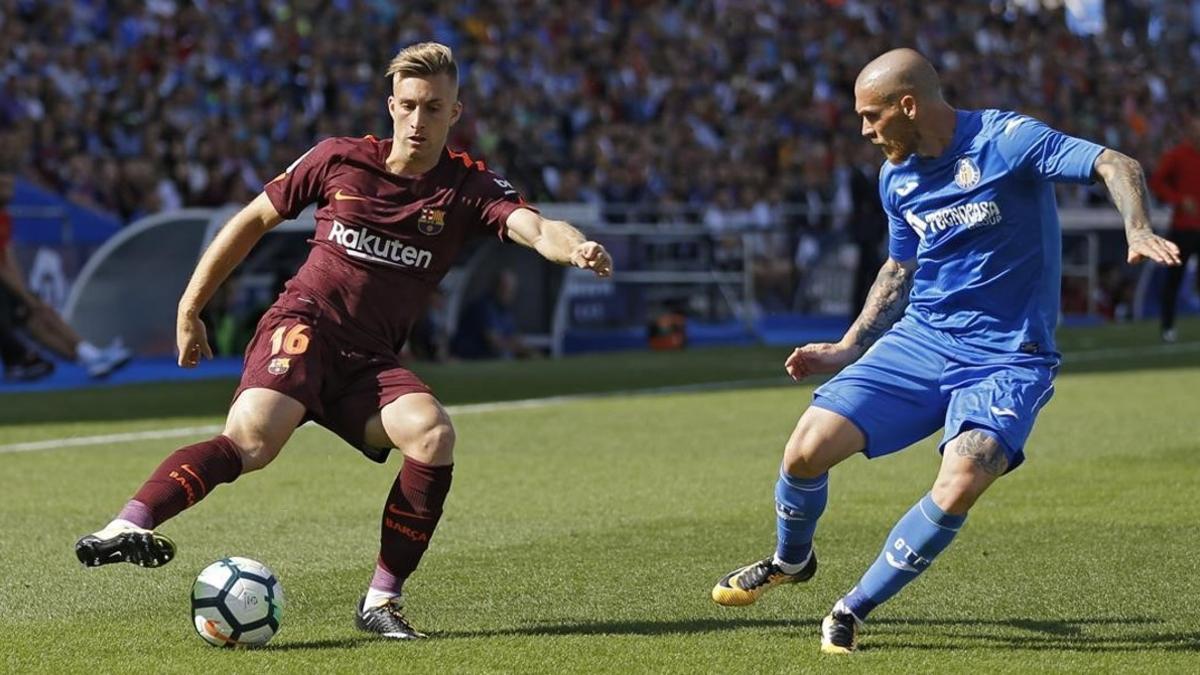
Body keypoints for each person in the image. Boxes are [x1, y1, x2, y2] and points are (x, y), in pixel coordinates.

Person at [73, 42, 612, 641]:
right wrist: (190, 305)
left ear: (454, 114)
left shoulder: (467, 186)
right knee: (253, 443)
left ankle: (381, 600)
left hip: (369, 362)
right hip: (304, 326)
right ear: (390, 106)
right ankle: (128, 523)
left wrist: (575, 248)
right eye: (408, 105)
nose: (418, 119)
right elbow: (253, 219)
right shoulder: (338, 160)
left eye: (434, 107)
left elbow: (534, 226)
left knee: (431, 434)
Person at [710, 48, 1180, 655]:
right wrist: (849, 347)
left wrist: (1136, 227)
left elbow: (1115, 162)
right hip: (923, 339)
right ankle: (790, 560)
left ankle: (853, 607)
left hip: (1010, 355)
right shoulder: (895, 176)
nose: (864, 130)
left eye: (871, 116)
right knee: (804, 451)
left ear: (909, 106)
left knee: (962, 477)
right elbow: (900, 267)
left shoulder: (1007, 140)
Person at [0, 167, 130, 378]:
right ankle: (91, 356)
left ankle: (90, 358)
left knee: (38, 321)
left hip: (6, 287)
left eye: (11, 185)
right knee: (38, 315)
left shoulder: (4, 217)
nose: (10, 191)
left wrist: (25, 292)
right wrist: (25, 296)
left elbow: (7, 257)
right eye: (4, 186)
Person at [1149, 113, 1200, 342]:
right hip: (1183, 228)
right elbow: (1157, 182)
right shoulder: (1177, 155)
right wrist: (1179, 199)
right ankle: (1167, 327)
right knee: (1174, 280)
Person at [450, 269, 535, 359]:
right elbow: (493, 341)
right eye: (505, 289)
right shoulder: (483, 306)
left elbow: (514, 337)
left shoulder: (504, 310)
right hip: (470, 360)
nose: (510, 294)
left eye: (512, 290)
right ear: (495, 287)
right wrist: (521, 350)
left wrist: (527, 349)